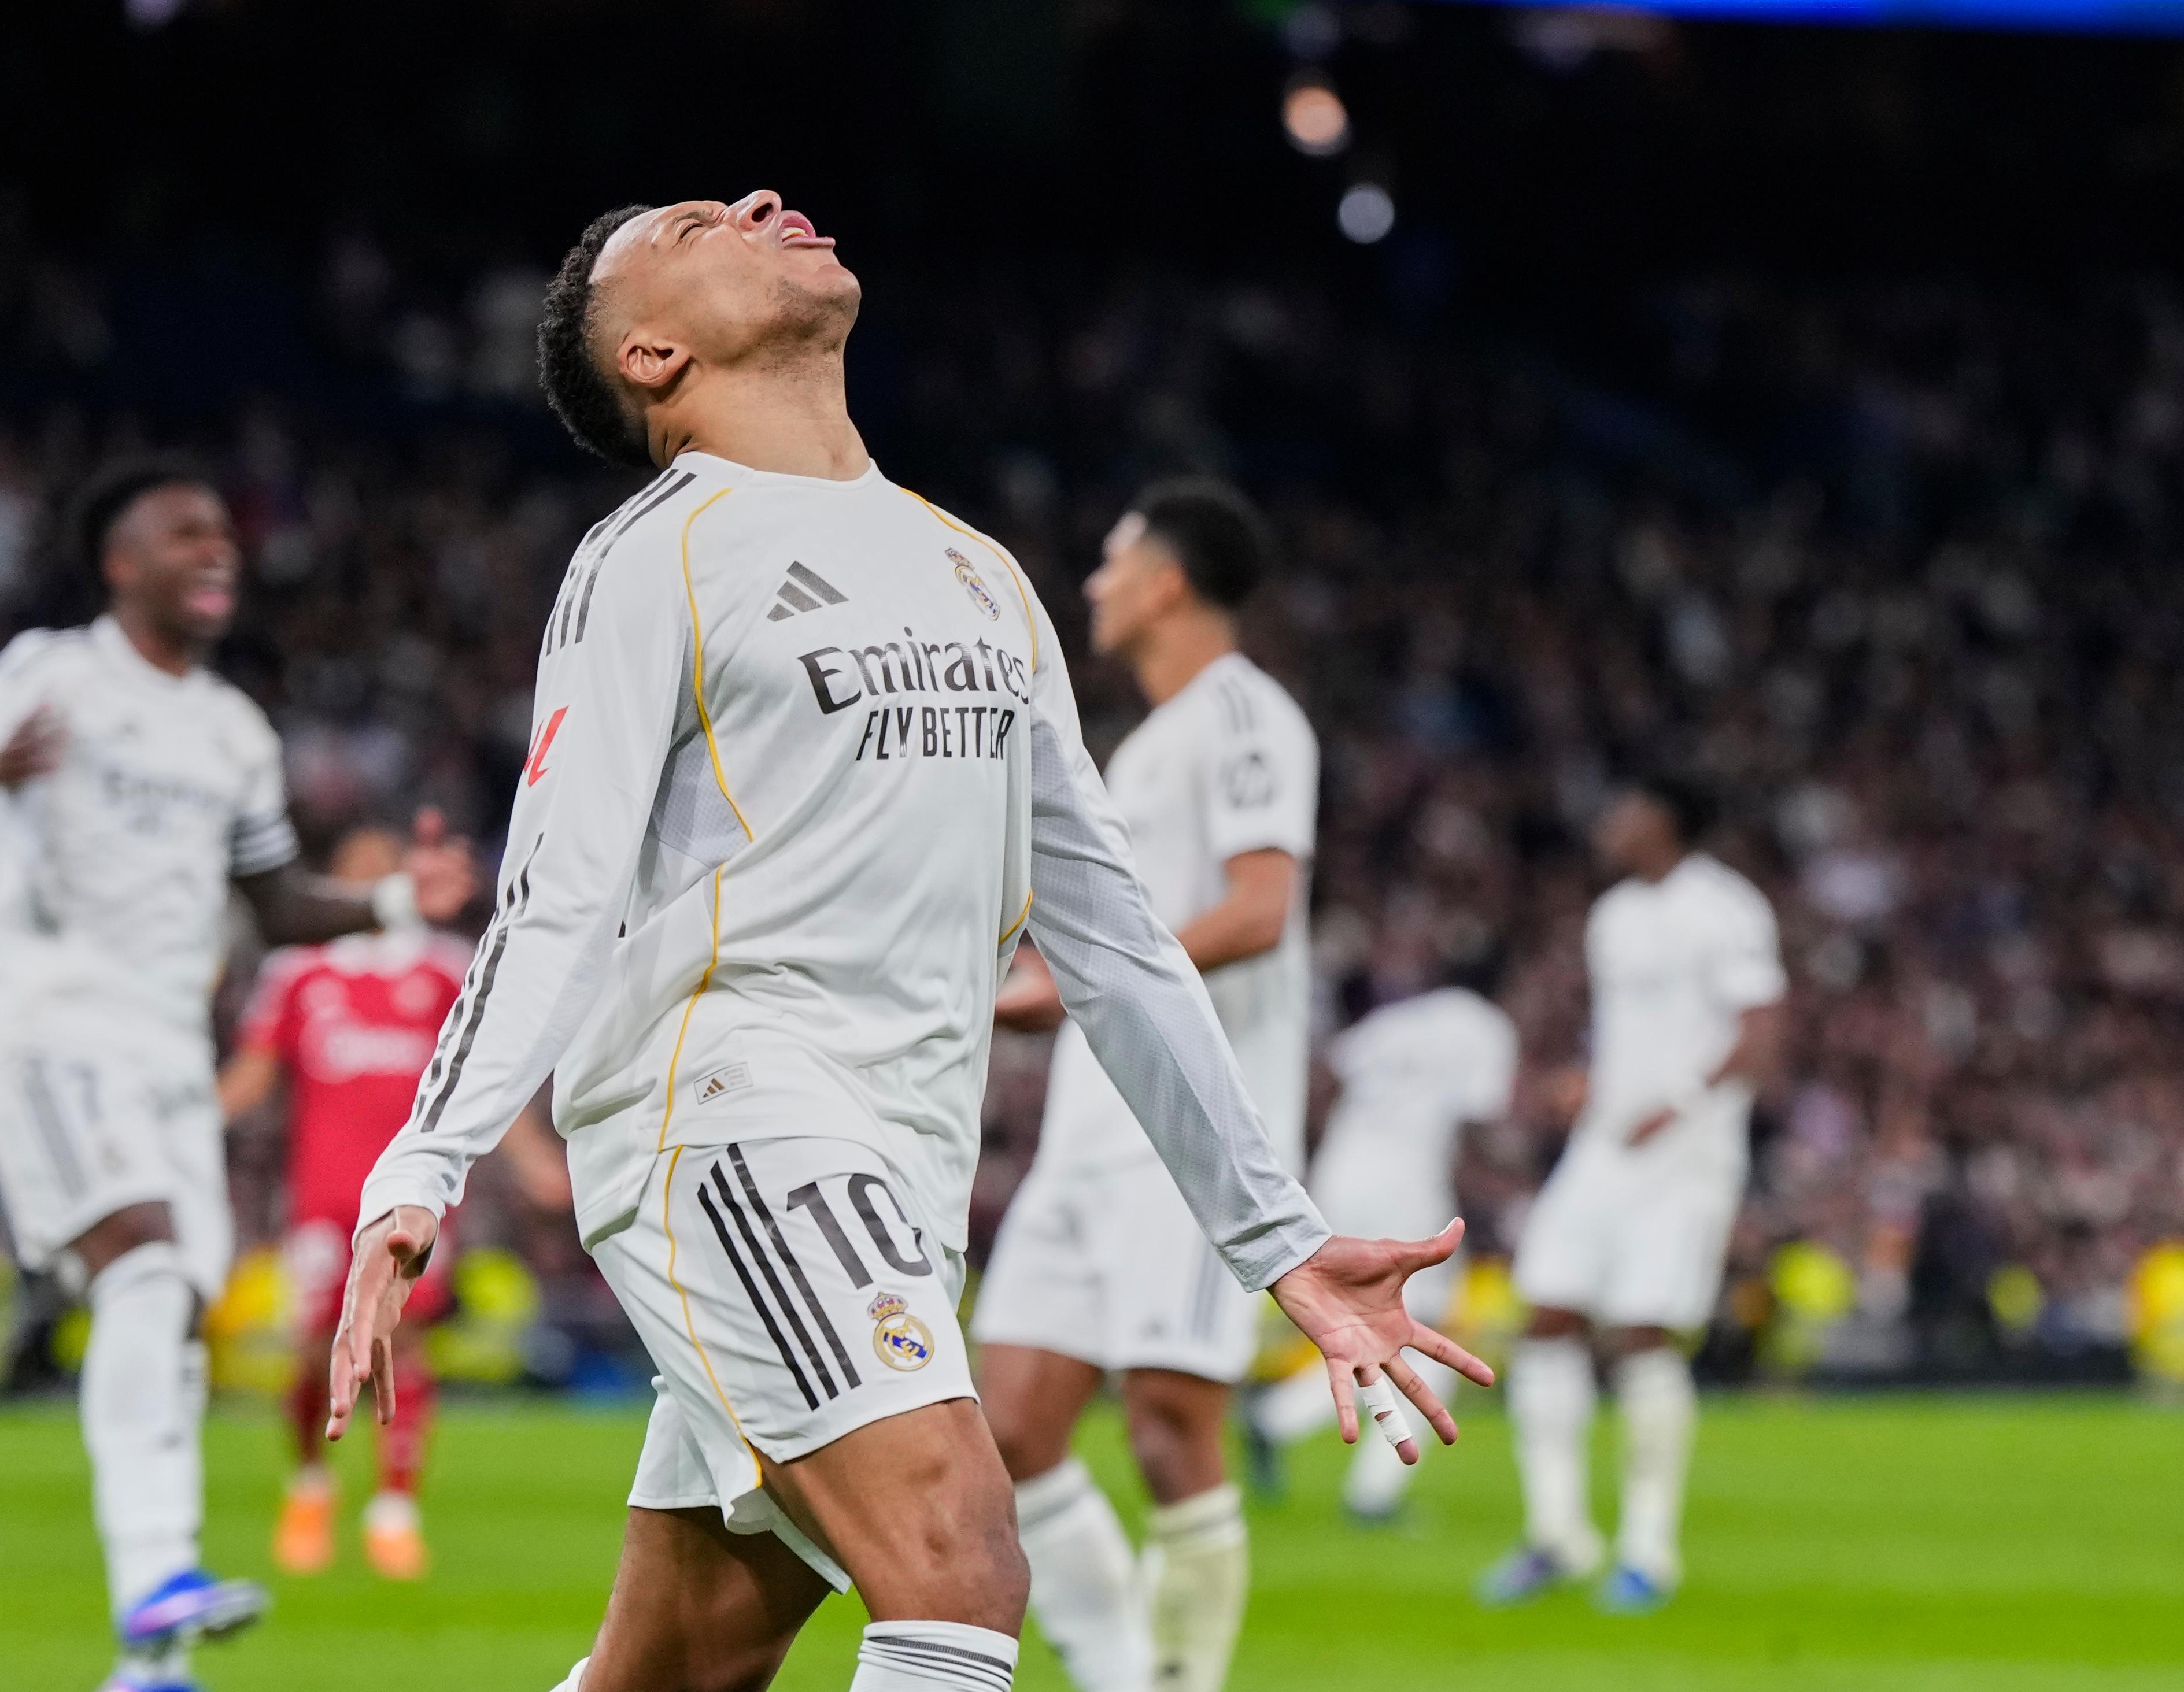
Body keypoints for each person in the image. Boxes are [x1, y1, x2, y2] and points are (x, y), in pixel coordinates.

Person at [328, 188, 1492, 1692]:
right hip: (726, 1122)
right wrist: (424, 1161)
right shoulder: (652, 558)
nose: (755, 202)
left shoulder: (973, 568)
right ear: (654, 354)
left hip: (895, 1161)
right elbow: (548, 893)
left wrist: (1272, 1233)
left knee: (679, 1658)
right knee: (955, 1560)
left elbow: (1114, 935)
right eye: (695, 224)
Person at [0, 461, 477, 1692]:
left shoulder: (231, 731)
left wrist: (384, 899)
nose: (216, 548)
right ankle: (156, 1570)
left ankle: (148, 1653)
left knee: (177, 1313)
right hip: (50, 1020)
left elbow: (270, 900)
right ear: (121, 563)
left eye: (222, 532)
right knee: (148, 1267)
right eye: (183, 532)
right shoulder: (51, 671)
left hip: (166, 1045)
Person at [966, 477, 1317, 1692]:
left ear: (1166, 581)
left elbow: (1259, 907)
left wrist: (1069, 983)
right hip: (1083, 1126)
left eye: (1112, 563)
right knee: (1003, 1427)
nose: (1093, 586)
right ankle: (1123, 1674)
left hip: (1184, 1130)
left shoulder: (1245, 719)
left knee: (1169, 1424)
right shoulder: (1141, 744)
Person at [220, 824, 570, 1582]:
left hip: (412, 1196)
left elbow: (485, 1077)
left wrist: (535, 1155)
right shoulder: (299, 970)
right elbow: (251, 1075)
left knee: (403, 1341)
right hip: (321, 1198)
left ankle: (393, 1510)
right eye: (357, 871)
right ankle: (310, 1482)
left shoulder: (444, 968)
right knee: (318, 1341)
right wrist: (184, 1127)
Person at [1477, 775, 1785, 1613]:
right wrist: (1590, 1082)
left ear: (1666, 819)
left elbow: (1760, 1031)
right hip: (1602, 1148)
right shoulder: (1611, 915)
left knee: (1641, 1333)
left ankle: (1648, 1549)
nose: (1607, 823)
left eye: (1624, 809)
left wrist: (1675, 1101)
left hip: (1685, 1156)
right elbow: (1630, 1035)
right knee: (1543, 1313)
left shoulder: (1723, 908)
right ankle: (1557, 1534)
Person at [1244, 950, 1519, 1524]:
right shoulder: (1485, 1027)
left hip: (1340, 1173)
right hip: (1404, 1182)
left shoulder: (1397, 1020)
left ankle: (1275, 1418)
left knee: (1374, 1329)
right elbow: (1478, 1125)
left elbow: (1326, 1080)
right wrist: (1510, 1184)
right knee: (1428, 1335)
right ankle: (1373, 1492)